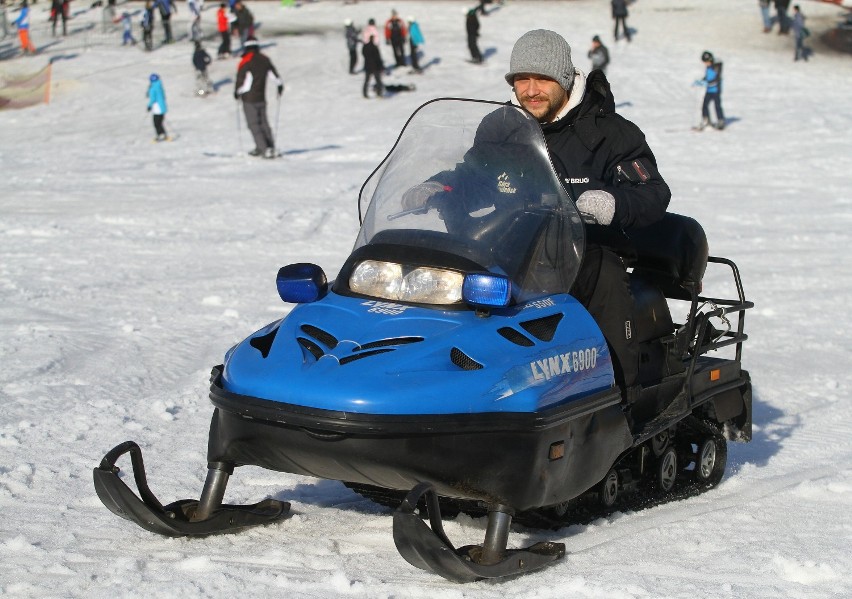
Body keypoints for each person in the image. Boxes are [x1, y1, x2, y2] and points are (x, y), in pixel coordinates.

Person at [403, 29, 671, 396]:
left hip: (587, 255)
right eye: (521, 80)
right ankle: (449, 387)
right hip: (510, 247)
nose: (530, 90)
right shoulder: (501, 129)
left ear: (564, 78)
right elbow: (474, 177)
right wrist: (438, 187)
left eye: (542, 79)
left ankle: (618, 399)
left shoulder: (611, 133)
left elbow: (654, 193)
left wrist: (613, 203)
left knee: (605, 279)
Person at [234, 37, 283, 158]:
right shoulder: (264, 59)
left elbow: (245, 81)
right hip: (261, 97)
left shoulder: (246, 61)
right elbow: (275, 76)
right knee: (264, 123)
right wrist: (280, 86)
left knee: (254, 124)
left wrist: (237, 92)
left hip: (249, 99)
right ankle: (270, 146)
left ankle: (263, 148)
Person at [694, 51, 725, 130]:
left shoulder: (716, 67)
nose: (705, 64)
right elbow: (708, 77)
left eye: (706, 62)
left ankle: (721, 121)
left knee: (717, 106)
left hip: (716, 90)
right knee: (704, 105)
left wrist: (706, 83)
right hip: (709, 90)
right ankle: (706, 120)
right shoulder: (708, 67)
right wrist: (701, 81)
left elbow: (716, 80)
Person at [147, 73, 170, 142]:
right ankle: (163, 135)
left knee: (156, 123)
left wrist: (149, 106)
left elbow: (153, 98)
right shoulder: (159, 86)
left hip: (157, 108)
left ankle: (160, 135)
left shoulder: (153, 88)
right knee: (160, 122)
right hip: (162, 107)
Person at [361, 34, 384, 98]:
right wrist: (381, 66)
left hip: (367, 66)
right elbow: (378, 58)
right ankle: (379, 93)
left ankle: (364, 93)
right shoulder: (374, 47)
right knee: (378, 80)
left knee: (367, 80)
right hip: (375, 66)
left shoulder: (365, 47)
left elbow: (363, 54)